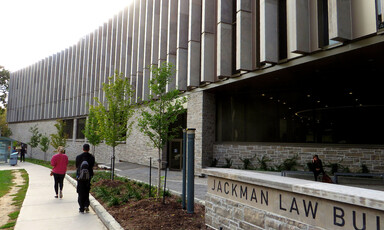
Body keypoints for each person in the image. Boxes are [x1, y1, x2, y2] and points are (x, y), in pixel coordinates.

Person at [76, 143, 95, 213]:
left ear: (83, 149)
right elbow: (92, 165)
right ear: (89, 149)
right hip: (88, 177)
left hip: (80, 177)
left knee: (80, 192)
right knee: (87, 191)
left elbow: (77, 166)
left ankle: (81, 207)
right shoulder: (92, 157)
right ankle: (86, 205)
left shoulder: (78, 157)